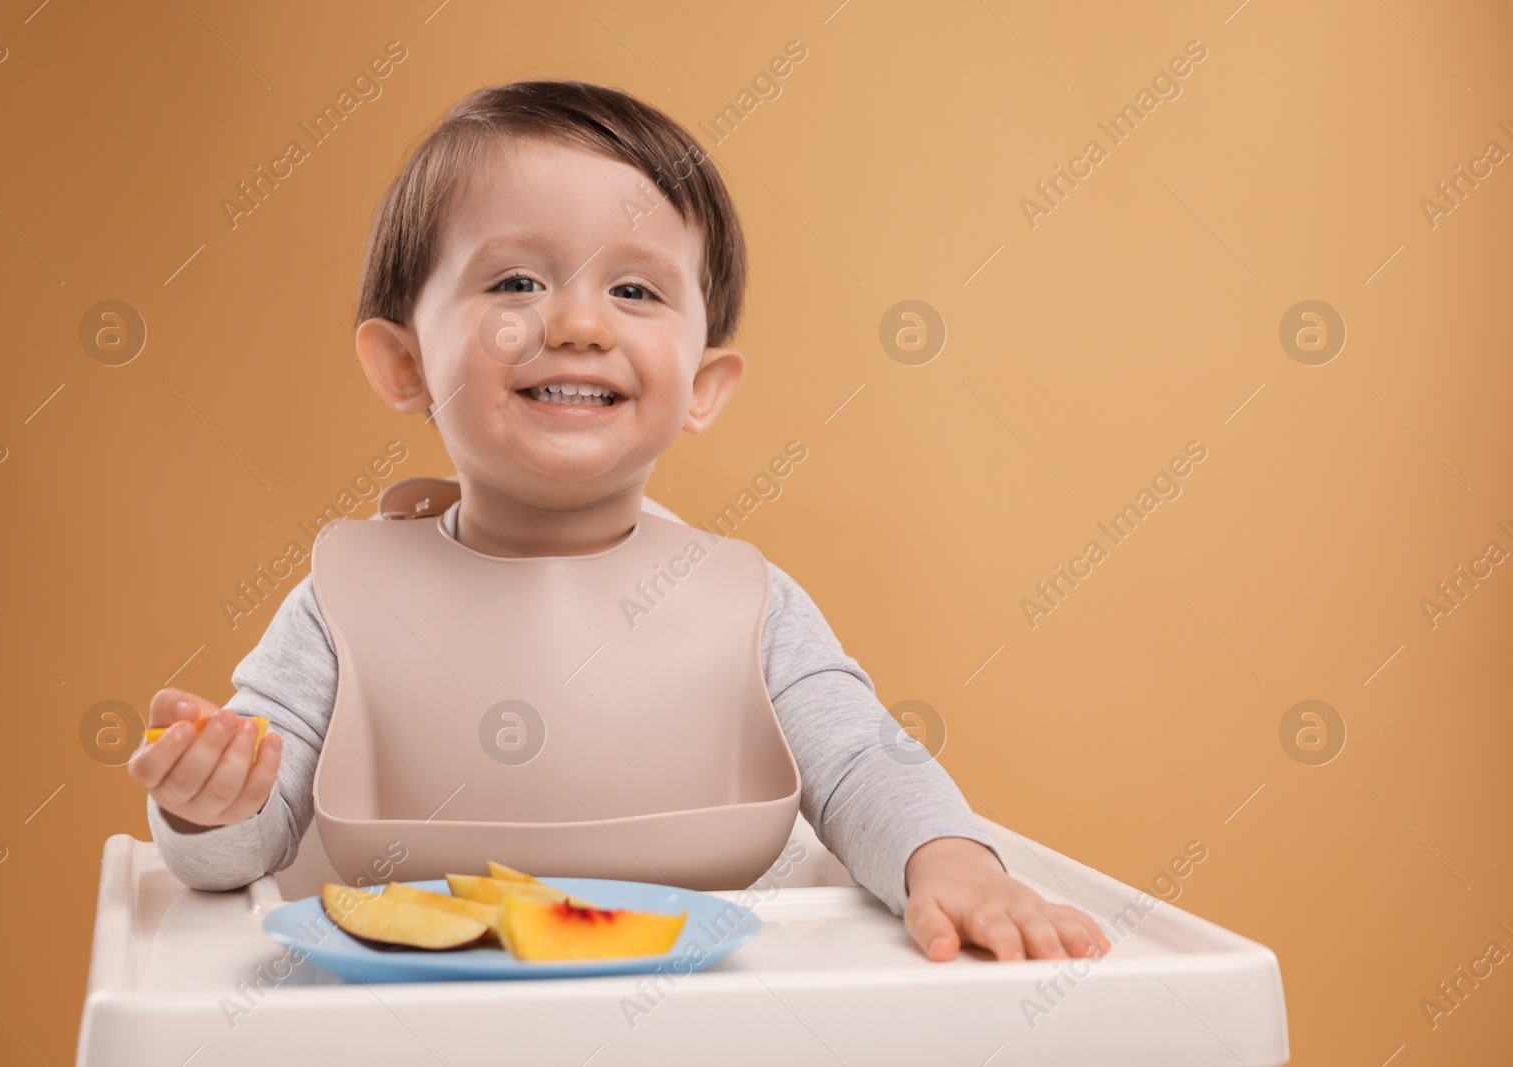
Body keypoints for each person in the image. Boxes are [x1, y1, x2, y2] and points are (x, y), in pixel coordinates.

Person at [128, 80, 1109, 964]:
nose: (578, 322)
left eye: (633, 290)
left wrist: (952, 863)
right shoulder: (343, 606)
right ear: (403, 364)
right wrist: (212, 801)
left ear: (702, 384)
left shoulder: (746, 607)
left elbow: (860, 762)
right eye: (515, 281)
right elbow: (239, 854)